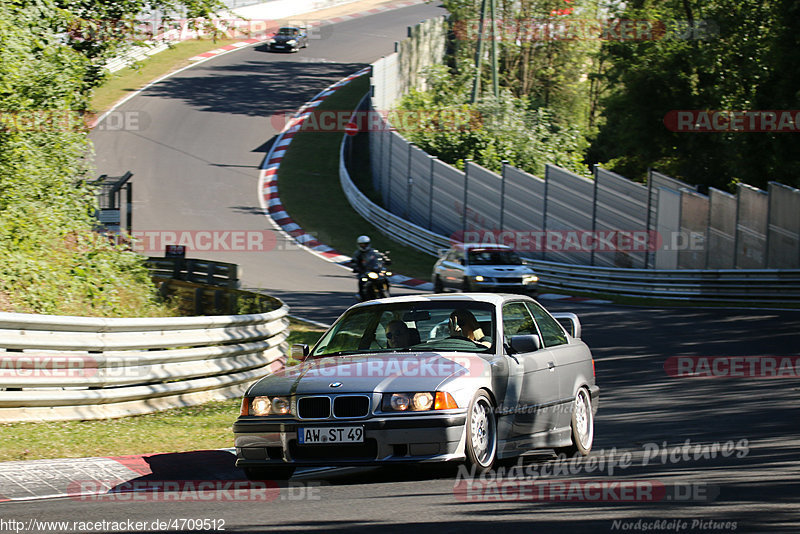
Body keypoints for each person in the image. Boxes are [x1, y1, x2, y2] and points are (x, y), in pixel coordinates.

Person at [352, 235, 378, 300]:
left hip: (374, 270)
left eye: (365, 244)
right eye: (362, 245)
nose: (364, 246)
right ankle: (361, 295)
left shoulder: (374, 252)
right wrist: (355, 267)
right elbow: (353, 262)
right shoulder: (357, 253)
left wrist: (385, 261)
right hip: (363, 272)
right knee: (362, 281)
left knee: (384, 276)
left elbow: (380, 258)